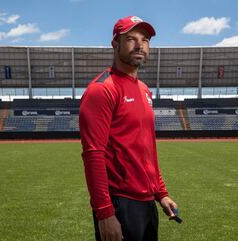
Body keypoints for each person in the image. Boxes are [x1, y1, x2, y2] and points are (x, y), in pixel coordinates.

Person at [79, 16, 178, 241]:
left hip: (147, 203)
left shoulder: (144, 89)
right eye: (131, 39)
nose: (139, 44)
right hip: (120, 203)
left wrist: (161, 194)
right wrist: (105, 213)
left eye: (145, 40)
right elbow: (93, 154)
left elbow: (147, 150)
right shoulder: (101, 90)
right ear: (115, 44)